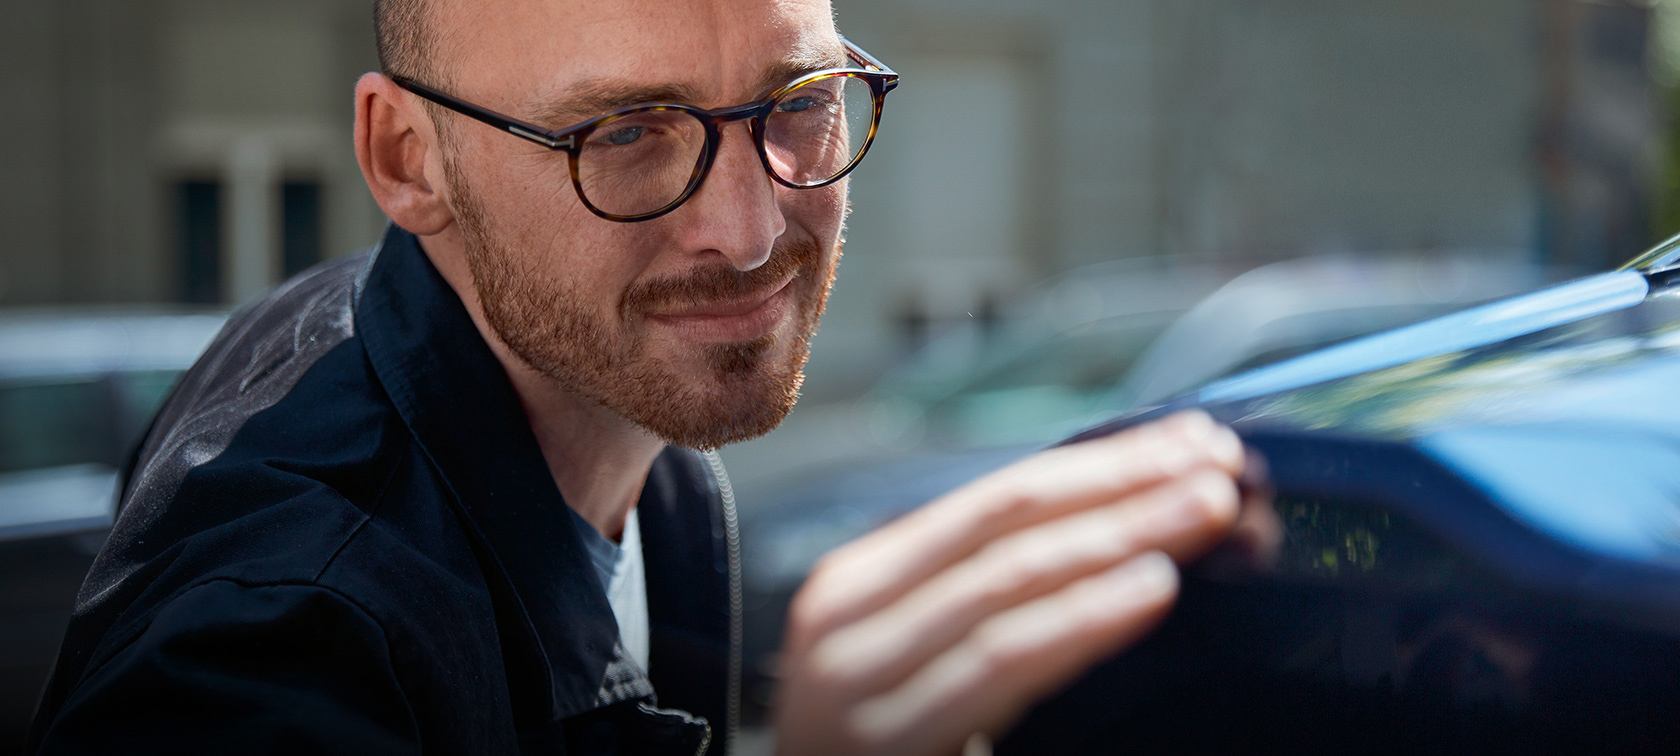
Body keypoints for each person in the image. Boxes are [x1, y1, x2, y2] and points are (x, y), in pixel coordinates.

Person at [28, 0, 1258, 753]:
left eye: (798, 102)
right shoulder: (274, 643)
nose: (752, 228)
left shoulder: (627, 423)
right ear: (408, 159)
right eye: (622, 133)